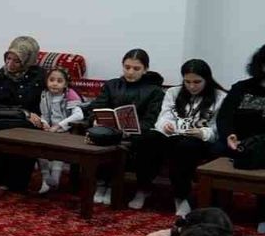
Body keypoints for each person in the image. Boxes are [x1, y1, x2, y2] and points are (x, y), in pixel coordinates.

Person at [71, 49, 166, 209]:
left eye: (136, 68)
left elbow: (152, 119)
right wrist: (96, 119)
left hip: (137, 135)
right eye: (127, 67)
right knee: (98, 136)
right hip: (109, 130)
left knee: (148, 142)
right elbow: (98, 106)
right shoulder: (112, 85)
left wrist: (133, 128)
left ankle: (141, 190)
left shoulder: (154, 91)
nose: (130, 72)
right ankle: (103, 184)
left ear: (145, 69)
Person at [154, 60, 227, 217]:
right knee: (155, 140)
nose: (192, 86)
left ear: (207, 79)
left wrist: (203, 133)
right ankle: (179, 195)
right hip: (175, 136)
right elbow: (163, 117)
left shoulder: (220, 97)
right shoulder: (173, 92)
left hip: (202, 141)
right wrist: (166, 125)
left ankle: (186, 198)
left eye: (197, 82)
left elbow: (219, 128)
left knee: (185, 147)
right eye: (187, 82)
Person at [0, 36, 45, 192]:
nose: (10, 64)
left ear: (27, 61)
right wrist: (23, 112)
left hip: (29, 122)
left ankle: (15, 182)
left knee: (26, 130)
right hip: (2, 117)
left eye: (16, 61)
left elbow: (49, 99)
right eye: (8, 59)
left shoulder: (39, 75)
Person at [216, 44, 265, 233]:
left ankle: (263, 215)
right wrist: (229, 135)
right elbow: (224, 117)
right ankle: (216, 210)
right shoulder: (242, 88)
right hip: (237, 141)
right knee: (215, 150)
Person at [36, 67, 84, 194]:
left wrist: (59, 126)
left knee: (59, 151)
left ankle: (55, 178)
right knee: (39, 149)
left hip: (65, 131)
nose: (55, 83)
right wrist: (44, 123)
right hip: (49, 131)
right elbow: (43, 114)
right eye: (51, 80)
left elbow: (79, 115)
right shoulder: (45, 95)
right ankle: (46, 179)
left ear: (66, 84)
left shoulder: (69, 94)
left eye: (59, 81)